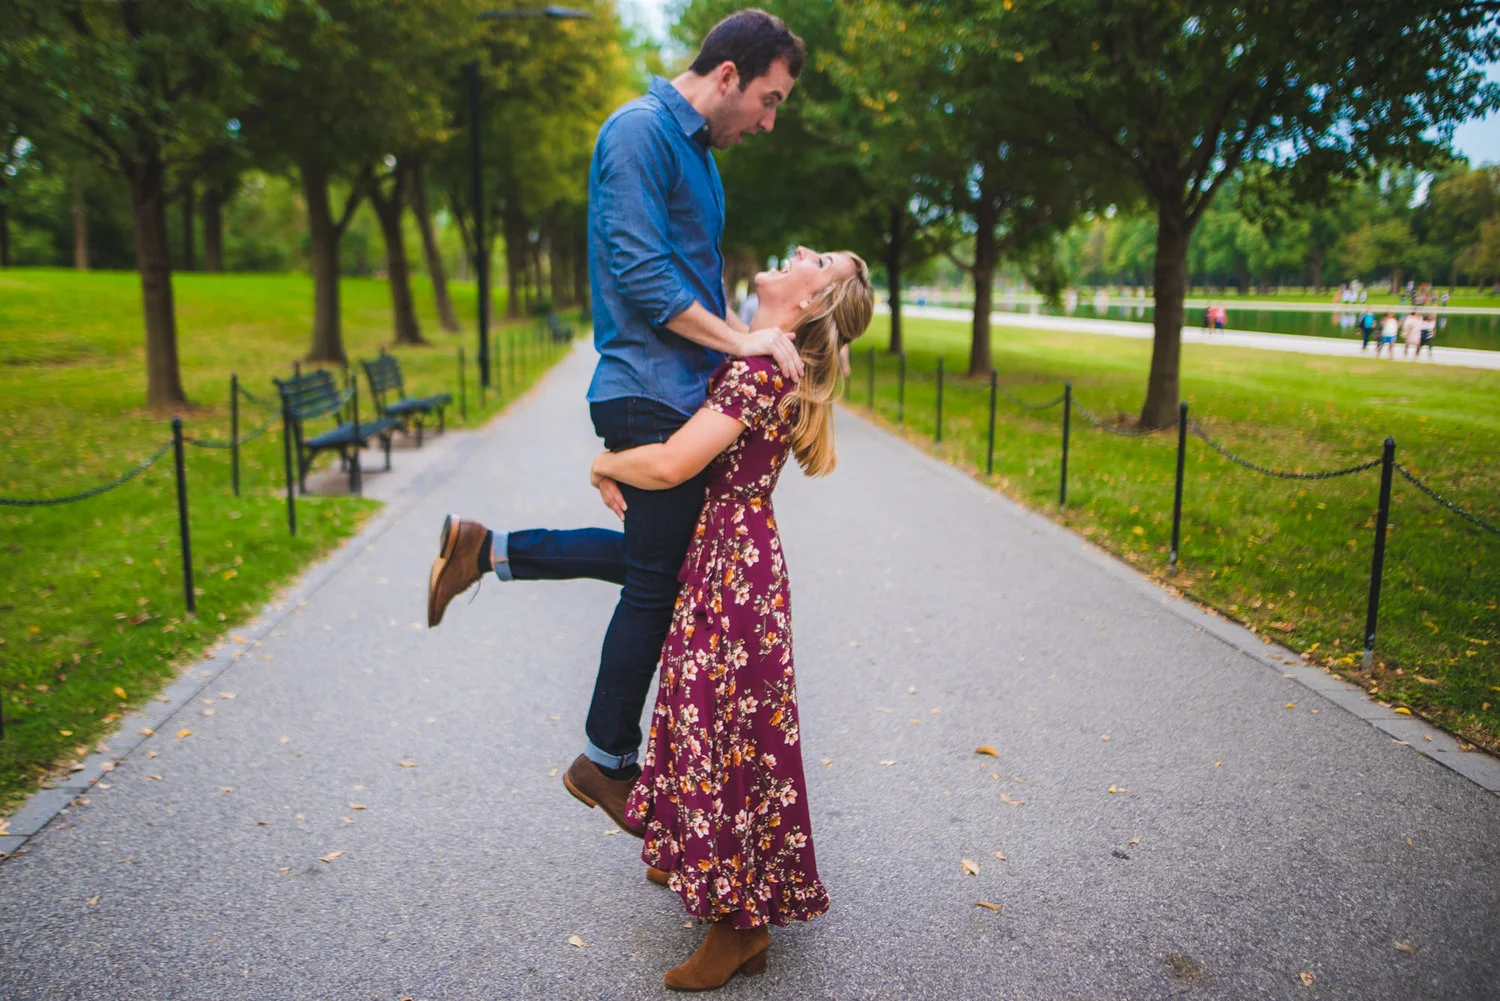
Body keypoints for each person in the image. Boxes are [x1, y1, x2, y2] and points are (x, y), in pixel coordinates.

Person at [426, 11, 806, 832]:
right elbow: (640, 272)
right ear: (730, 76)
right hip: (647, 385)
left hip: (680, 387)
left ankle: (485, 550)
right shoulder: (638, 133)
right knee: (657, 581)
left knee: (662, 563)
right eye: (769, 101)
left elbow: (691, 276)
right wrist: (744, 340)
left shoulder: (702, 158)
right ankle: (605, 760)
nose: (769, 122)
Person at [595, 249, 872, 990]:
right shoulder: (763, 362)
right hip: (732, 557)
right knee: (705, 720)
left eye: (812, 261)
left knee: (726, 734)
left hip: (732, 569)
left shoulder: (757, 373)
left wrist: (604, 465)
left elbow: (671, 465)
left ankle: (741, 928)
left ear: (810, 304)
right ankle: (700, 862)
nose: (798, 253)